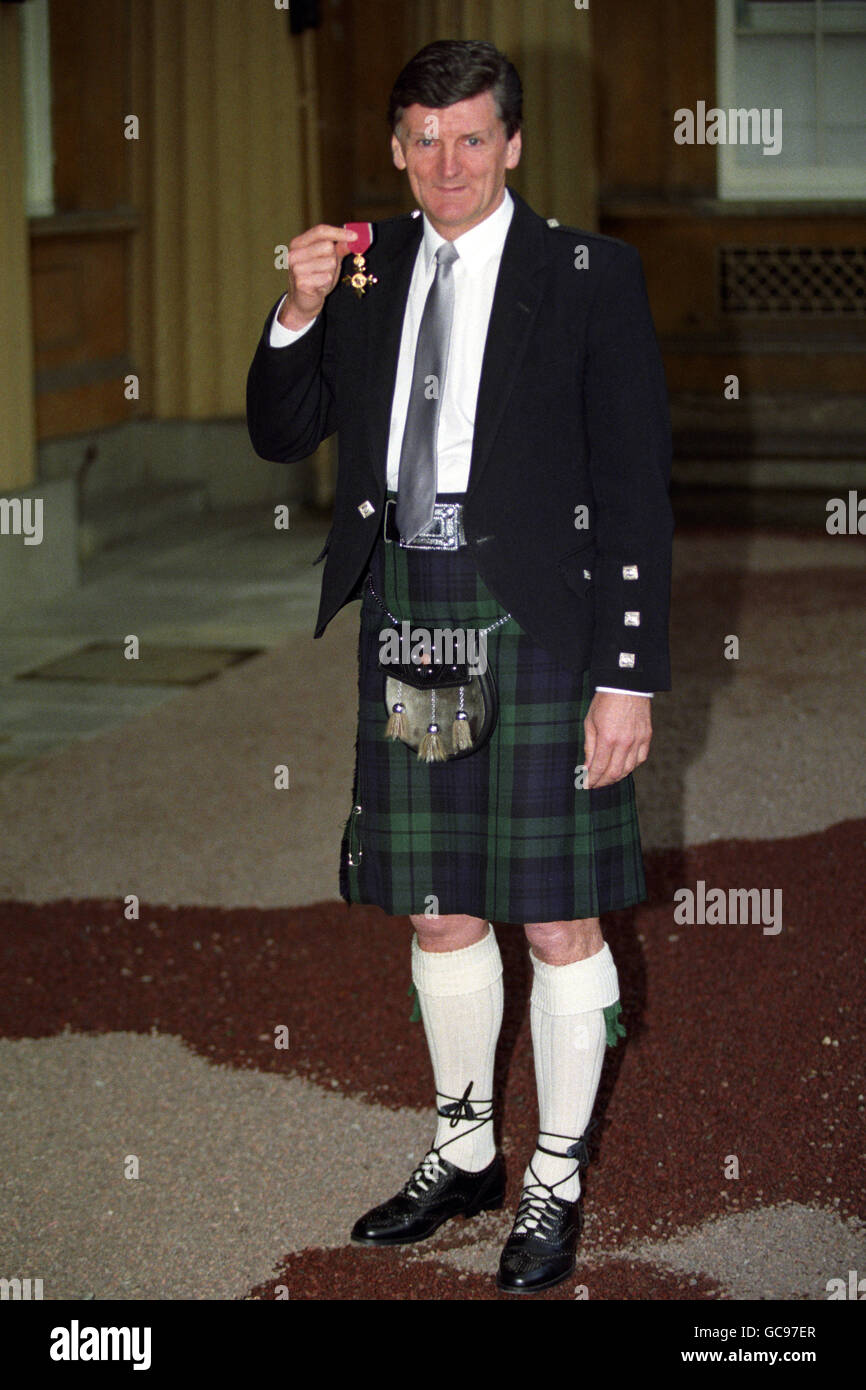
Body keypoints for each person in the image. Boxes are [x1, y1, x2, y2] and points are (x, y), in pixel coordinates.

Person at [247, 38, 673, 1295]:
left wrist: (629, 675)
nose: (447, 163)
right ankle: (463, 1143)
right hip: (415, 608)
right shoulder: (362, 268)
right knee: (438, 900)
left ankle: (552, 1173)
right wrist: (298, 312)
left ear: (513, 145)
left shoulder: (590, 274)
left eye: (472, 138)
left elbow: (635, 489)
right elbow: (281, 434)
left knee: (552, 910)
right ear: (393, 147)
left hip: (539, 618)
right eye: (423, 140)